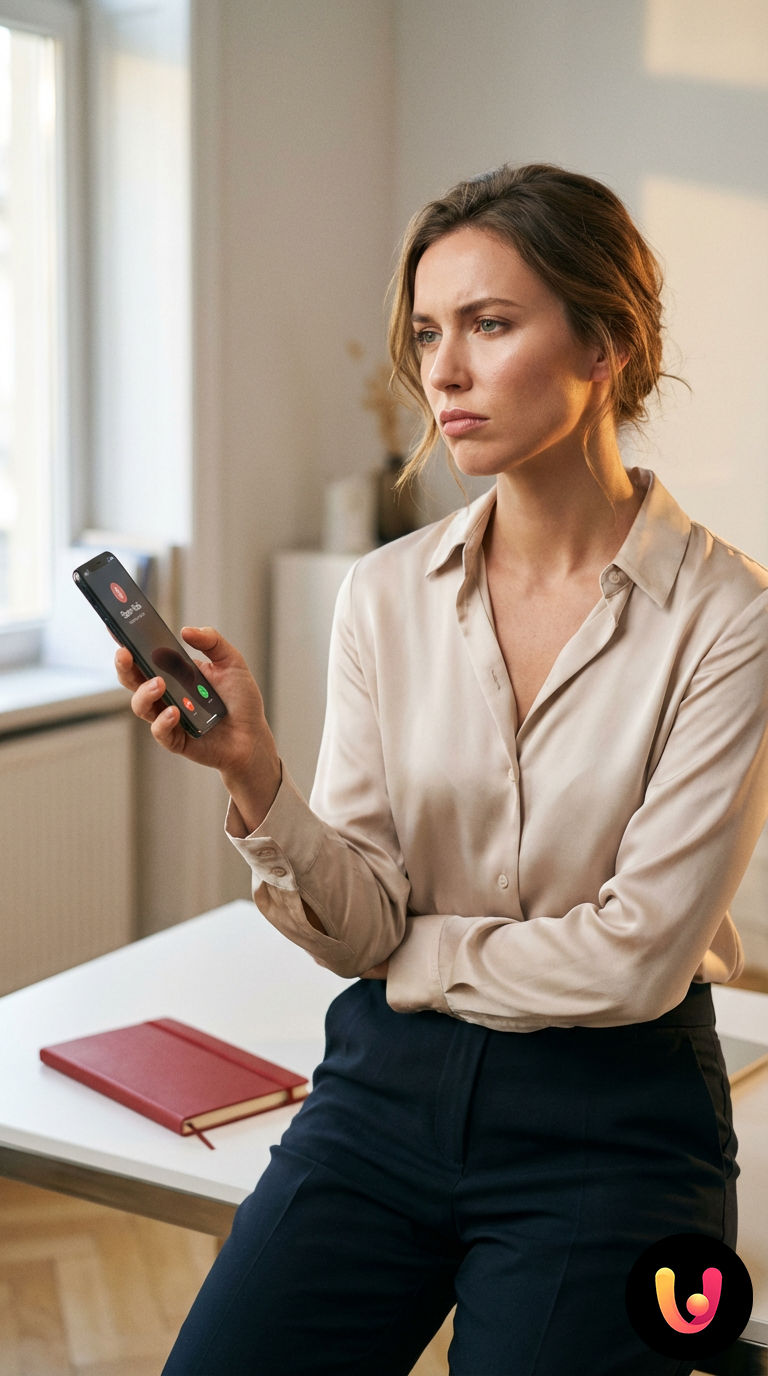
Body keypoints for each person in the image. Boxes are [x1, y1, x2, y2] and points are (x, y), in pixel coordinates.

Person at [118, 164, 768, 1376]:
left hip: (617, 1120)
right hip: (382, 1093)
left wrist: (415, 959)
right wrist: (257, 777)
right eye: (427, 332)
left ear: (607, 344)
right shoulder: (384, 595)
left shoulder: (731, 617)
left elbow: (636, 957)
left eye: (490, 323)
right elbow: (360, 920)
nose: (444, 371)